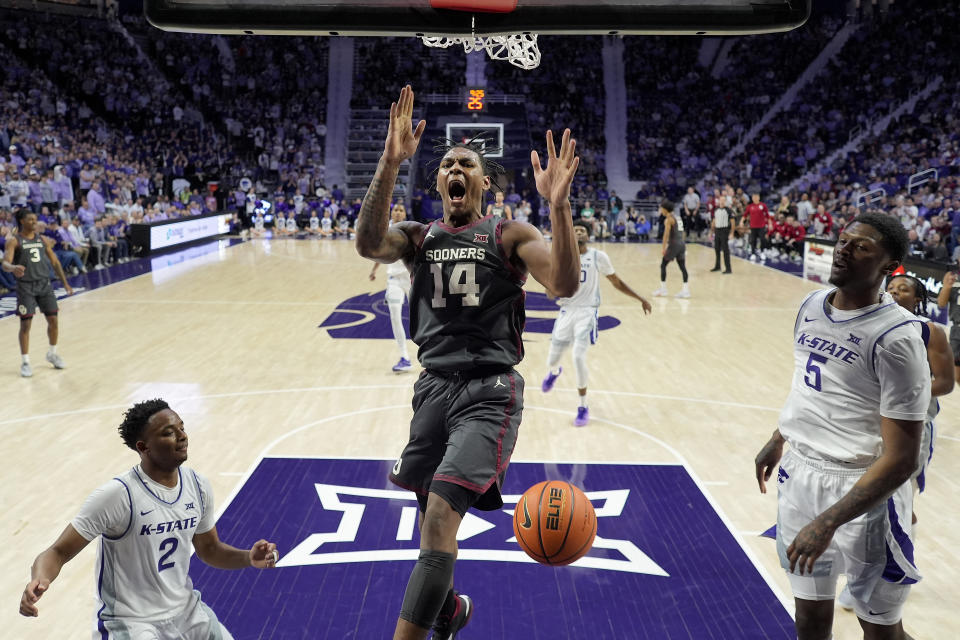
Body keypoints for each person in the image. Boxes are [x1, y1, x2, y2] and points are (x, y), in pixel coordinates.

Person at [355, 85, 580, 640]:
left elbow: (566, 283)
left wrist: (558, 205)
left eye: (468, 164)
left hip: (489, 391)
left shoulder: (508, 234)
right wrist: (389, 162)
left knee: (437, 518)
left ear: (483, 183)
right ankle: (449, 610)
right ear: (438, 183)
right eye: (448, 163)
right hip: (432, 388)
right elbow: (365, 244)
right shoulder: (418, 237)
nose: (456, 168)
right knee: (426, 509)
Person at [754, 213, 931, 640]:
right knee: (810, 617)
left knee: (880, 628)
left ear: (889, 267)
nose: (844, 249)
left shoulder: (898, 339)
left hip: (864, 490)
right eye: (843, 240)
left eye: (861, 246)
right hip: (801, 474)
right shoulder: (811, 305)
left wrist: (828, 520)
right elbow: (812, 386)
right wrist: (780, 436)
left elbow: (903, 458)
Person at [19, 399, 279, 637]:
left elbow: (209, 549)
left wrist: (247, 557)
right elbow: (58, 551)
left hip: (186, 611)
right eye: (168, 432)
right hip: (131, 621)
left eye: (181, 427)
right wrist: (39, 578)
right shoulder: (118, 495)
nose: (182, 436)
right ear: (143, 447)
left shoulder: (198, 486)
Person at [832, 273, 954, 612]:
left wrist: (903, 392)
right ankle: (867, 573)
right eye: (893, 287)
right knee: (866, 500)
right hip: (869, 427)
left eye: (905, 289)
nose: (896, 292)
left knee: (898, 503)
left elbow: (945, 383)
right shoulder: (869, 325)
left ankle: (894, 574)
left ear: (918, 299)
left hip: (911, 428)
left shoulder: (930, 331)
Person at [541, 220, 652, 426]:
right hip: (566, 311)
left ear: (588, 236)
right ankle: (555, 372)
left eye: (582, 230)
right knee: (552, 358)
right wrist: (551, 289)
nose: (579, 232)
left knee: (578, 357)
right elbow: (550, 289)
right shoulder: (561, 258)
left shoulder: (597, 256)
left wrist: (640, 298)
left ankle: (582, 407)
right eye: (575, 230)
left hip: (587, 312)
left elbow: (616, 282)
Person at [2, 208, 73, 377]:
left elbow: (55, 262)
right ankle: (25, 362)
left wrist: (65, 283)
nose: (35, 222)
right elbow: (5, 263)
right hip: (25, 287)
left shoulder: (42, 239)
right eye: (31, 220)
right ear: (22, 222)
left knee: (53, 320)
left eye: (35, 219)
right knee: (26, 325)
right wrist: (13, 268)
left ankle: (52, 353)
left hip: (44, 285)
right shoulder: (14, 241)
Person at [369, 202, 414, 372]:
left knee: (419, 319)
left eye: (401, 210)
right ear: (391, 213)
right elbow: (380, 253)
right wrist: (374, 270)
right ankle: (404, 357)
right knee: (395, 317)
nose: (397, 212)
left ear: (404, 214)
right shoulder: (384, 231)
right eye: (395, 210)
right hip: (393, 279)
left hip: (410, 279)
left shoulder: (410, 230)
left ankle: (429, 357)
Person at [652, 199, 690, 298]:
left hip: (674, 245)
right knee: (683, 268)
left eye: (661, 208)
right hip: (682, 244)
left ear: (665, 209)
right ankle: (686, 291)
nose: (660, 210)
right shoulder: (678, 217)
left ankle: (663, 289)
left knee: (663, 265)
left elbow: (666, 234)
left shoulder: (668, 219)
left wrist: (663, 248)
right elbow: (682, 232)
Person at [936, 269, 960, 383]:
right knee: (958, 376)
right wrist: (947, 287)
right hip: (957, 330)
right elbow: (941, 303)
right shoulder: (952, 276)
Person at [710, 194, 733, 273]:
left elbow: (732, 222)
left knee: (725, 250)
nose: (722, 202)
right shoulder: (716, 210)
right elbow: (713, 221)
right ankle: (717, 266)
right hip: (717, 230)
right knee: (716, 249)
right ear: (719, 201)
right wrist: (711, 231)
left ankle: (728, 268)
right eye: (721, 200)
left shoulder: (728, 210)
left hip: (724, 230)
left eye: (724, 200)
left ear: (725, 201)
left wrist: (732, 233)